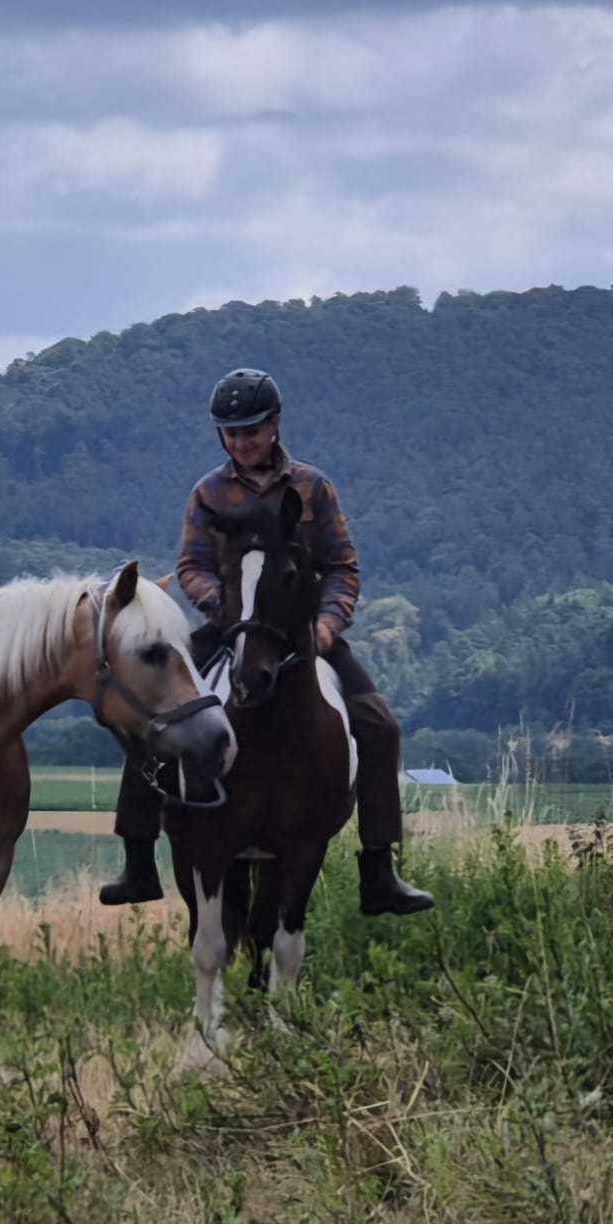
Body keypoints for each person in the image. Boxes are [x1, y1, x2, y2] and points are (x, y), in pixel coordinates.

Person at [99, 367, 434, 917]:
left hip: (299, 630)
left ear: (274, 425)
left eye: (250, 430)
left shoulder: (313, 486)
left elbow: (342, 566)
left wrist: (327, 624)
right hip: (232, 625)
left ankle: (379, 867)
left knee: (378, 725)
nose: (241, 441)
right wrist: (228, 610)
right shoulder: (207, 493)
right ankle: (138, 857)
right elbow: (192, 566)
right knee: (153, 717)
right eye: (230, 433)